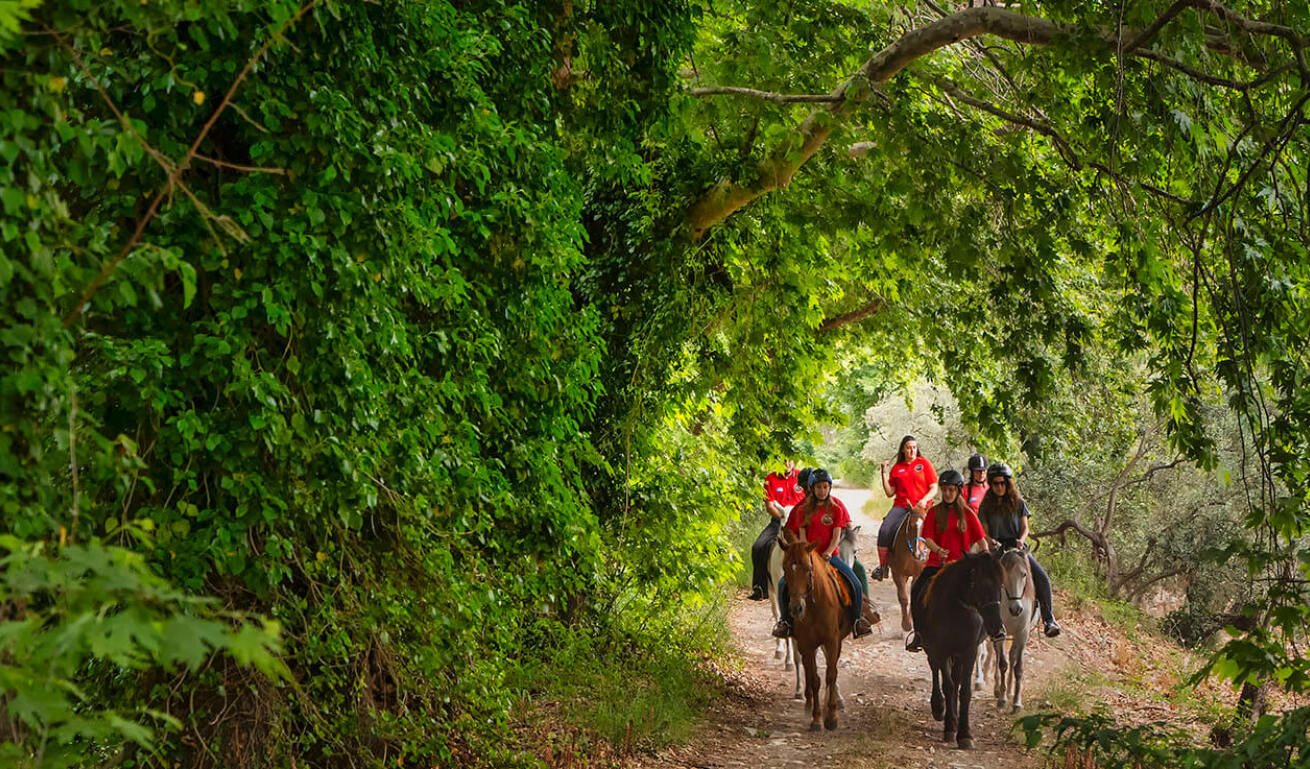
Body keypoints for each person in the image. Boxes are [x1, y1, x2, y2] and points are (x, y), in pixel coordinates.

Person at [772, 469, 876, 639]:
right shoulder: (802, 510)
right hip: (809, 557)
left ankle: (858, 621)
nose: (822, 491)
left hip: (831, 556)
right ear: (812, 488)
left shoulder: (836, 508)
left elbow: (837, 535)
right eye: (818, 487)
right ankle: (785, 622)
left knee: (856, 583)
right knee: (783, 583)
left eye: (825, 487)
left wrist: (828, 553)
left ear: (829, 488)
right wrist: (807, 554)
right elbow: (800, 535)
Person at [905, 468, 989, 652]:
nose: (948, 493)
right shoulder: (934, 513)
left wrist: (983, 559)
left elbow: (982, 541)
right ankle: (919, 633)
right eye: (945, 490)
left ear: (958, 491)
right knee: (917, 589)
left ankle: (988, 629)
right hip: (937, 565)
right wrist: (938, 550)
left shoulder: (968, 514)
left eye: (951, 490)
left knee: (985, 592)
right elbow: (927, 538)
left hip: (962, 567)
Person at [976, 462, 1062, 638]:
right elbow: (983, 530)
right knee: (978, 578)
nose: (999, 487)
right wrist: (989, 540)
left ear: (1008, 483)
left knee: (1042, 578)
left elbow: (1025, 528)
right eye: (996, 483)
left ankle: (1048, 619)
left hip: (1016, 549)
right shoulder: (985, 506)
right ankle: (975, 620)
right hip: (997, 550)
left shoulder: (1019, 503)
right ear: (990, 484)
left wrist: (1021, 541)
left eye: (1003, 483)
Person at [873, 435, 938, 580]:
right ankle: (883, 567)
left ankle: (942, 563)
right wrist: (883, 472)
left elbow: (934, 488)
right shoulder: (897, 468)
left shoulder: (924, 464)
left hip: (923, 507)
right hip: (902, 507)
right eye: (908, 448)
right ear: (903, 450)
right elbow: (890, 493)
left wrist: (924, 500)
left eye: (914, 447)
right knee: (884, 529)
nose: (912, 451)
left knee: (941, 529)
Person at [749, 461, 804, 600]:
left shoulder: (801, 477)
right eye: (782, 460)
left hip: (801, 523)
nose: (786, 463)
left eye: (789, 460)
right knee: (758, 546)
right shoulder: (770, 479)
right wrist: (783, 517)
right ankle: (761, 588)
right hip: (780, 521)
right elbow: (769, 506)